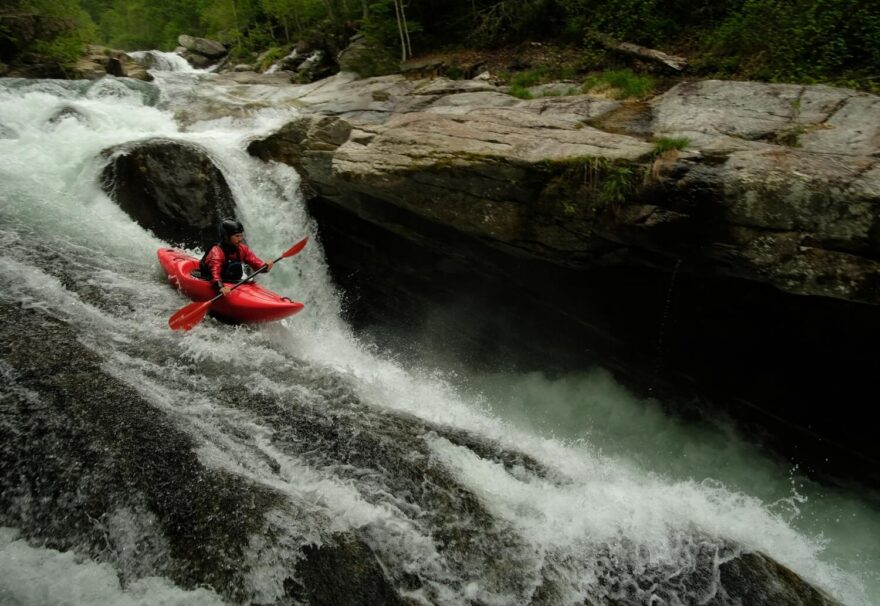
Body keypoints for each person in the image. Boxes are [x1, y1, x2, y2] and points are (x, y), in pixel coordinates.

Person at [200, 219, 273, 296]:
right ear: (226, 237)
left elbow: (255, 261)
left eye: (241, 236)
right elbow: (214, 273)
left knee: (237, 267)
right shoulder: (216, 252)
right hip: (212, 279)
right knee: (235, 266)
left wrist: (265, 266)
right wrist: (220, 287)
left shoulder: (242, 249)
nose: (240, 239)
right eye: (237, 236)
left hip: (230, 279)